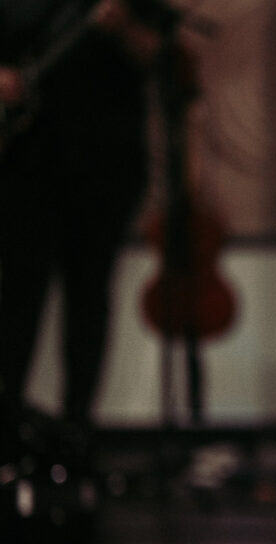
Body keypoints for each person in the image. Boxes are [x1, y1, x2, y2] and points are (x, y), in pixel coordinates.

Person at [0, 0, 164, 432]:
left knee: (89, 297)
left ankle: (77, 432)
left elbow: (158, 55)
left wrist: (123, 26)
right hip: (24, 163)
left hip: (105, 164)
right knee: (18, 297)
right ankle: (9, 431)